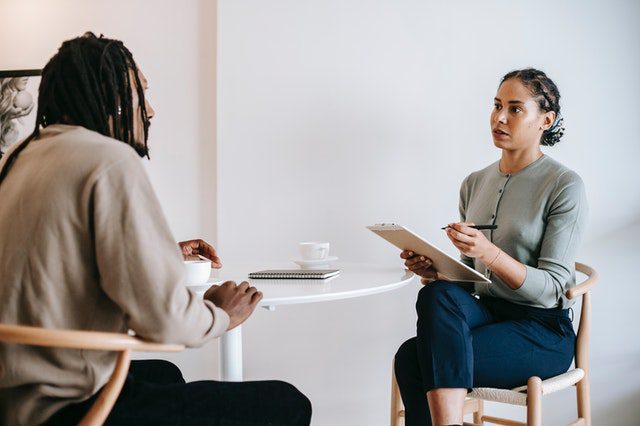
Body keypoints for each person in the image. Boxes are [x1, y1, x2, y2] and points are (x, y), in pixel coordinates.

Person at [0, 33, 311, 425]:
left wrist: (157, 249)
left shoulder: (20, 156)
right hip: (68, 406)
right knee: (287, 402)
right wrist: (218, 313)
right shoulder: (108, 159)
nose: (149, 110)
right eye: (139, 94)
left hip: (14, 398)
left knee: (166, 376)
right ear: (110, 98)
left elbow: (55, 257)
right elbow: (165, 323)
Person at [394, 68, 587, 426]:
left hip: (542, 330)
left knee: (413, 358)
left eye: (515, 109)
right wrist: (436, 271)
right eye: (496, 105)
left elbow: (551, 291)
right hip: (490, 314)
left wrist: (490, 254)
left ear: (546, 120)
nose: (499, 117)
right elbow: (470, 282)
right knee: (436, 296)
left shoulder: (564, 185)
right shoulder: (474, 183)